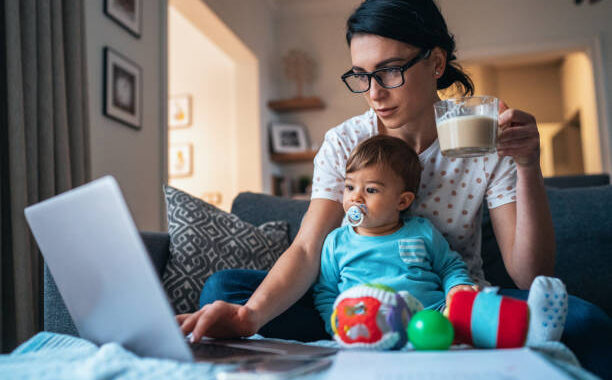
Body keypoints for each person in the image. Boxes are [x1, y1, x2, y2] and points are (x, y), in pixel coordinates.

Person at [178, 0, 611, 376]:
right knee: (225, 292)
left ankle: (439, 334)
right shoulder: (346, 141)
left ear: (436, 64)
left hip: (448, 306)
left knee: (587, 321)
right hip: (351, 304)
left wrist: (527, 165)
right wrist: (248, 315)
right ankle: (365, 332)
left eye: (389, 71)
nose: (374, 93)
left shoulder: (482, 136)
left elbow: (531, 275)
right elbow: (309, 250)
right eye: (362, 76)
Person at [313, 134, 476, 336]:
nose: (355, 197)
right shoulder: (336, 242)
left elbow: (449, 266)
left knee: (482, 314)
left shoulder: (421, 231)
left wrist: (457, 287)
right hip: (367, 327)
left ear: (402, 201)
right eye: (349, 187)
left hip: (432, 318)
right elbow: (326, 293)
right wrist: (338, 327)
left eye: (371, 190)